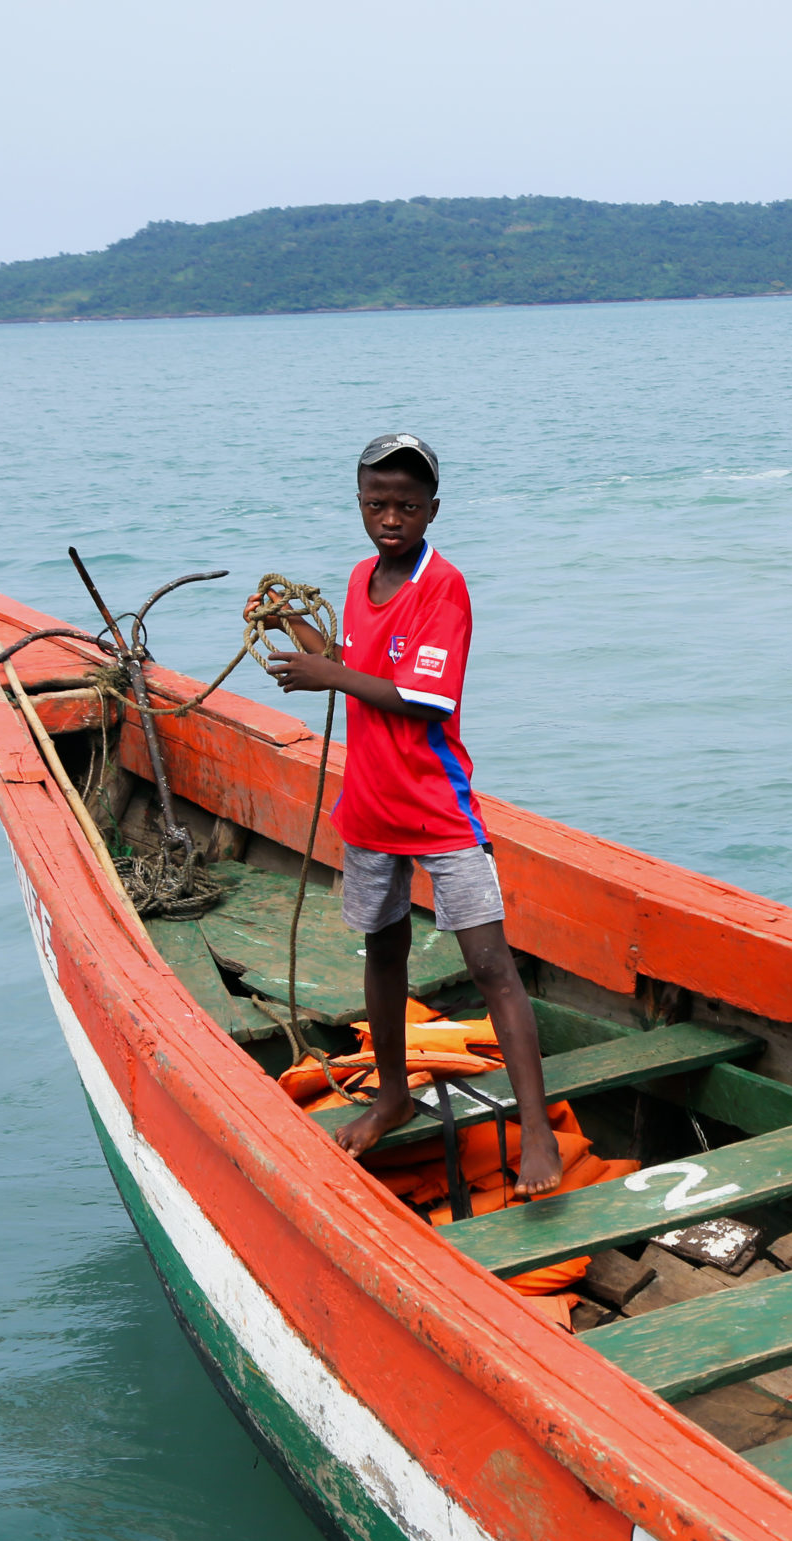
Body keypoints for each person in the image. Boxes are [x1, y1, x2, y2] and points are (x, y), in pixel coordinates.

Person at [247, 433, 563, 1196]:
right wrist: (295, 628)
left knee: (491, 966)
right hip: (371, 807)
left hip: (437, 805)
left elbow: (423, 697)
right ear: (360, 504)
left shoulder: (442, 586)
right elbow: (359, 662)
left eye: (407, 505)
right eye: (377, 503)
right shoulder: (360, 578)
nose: (391, 517)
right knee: (382, 952)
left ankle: (540, 1135)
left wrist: (329, 674)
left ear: (433, 510)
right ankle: (392, 1095)